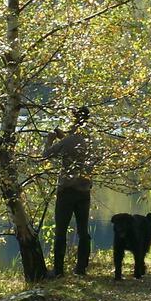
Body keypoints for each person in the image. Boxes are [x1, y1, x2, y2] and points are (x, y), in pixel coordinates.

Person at [42, 106, 95, 277]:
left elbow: (46, 155)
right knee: (83, 231)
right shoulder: (90, 140)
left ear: (74, 120)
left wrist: (50, 140)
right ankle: (81, 268)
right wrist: (64, 136)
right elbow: (77, 147)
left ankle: (58, 271)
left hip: (66, 191)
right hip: (84, 190)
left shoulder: (68, 141)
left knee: (61, 231)